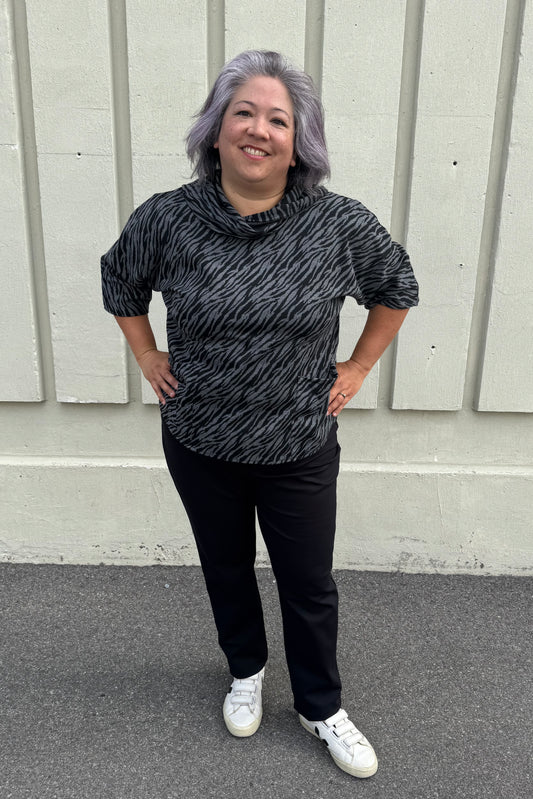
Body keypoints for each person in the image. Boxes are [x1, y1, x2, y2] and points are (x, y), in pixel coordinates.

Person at [101, 50, 418, 779]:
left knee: (307, 581)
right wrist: (146, 355)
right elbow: (120, 277)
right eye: (242, 112)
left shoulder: (337, 223)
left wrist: (360, 364)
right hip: (200, 435)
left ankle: (319, 704)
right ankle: (245, 670)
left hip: (297, 440)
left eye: (278, 118)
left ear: (298, 142)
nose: (259, 129)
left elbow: (395, 284)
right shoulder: (169, 218)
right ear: (215, 131)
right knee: (225, 566)